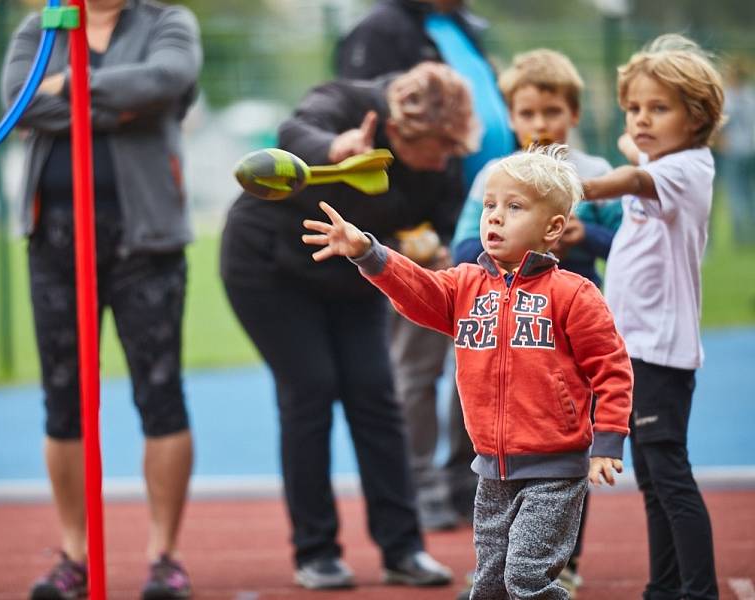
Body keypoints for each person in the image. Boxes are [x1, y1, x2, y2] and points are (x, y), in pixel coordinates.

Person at [302, 145, 633, 599]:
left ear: (553, 227)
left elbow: (612, 368)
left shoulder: (574, 294)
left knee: (526, 578)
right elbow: (417, 288)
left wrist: (609, 438)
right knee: (490, 585)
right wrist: (368, 252)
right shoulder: (464, 285)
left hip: (554, 470)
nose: (494, 217)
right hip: (491, 471)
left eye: (514, 207)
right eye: (490, 205)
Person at [220, 62, 477, 590]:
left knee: (375, 394)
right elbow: (295, 131)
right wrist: (334, 148)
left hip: (356, 274)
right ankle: (316, 553)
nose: (447, 159)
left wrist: (428, 246)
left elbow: (447, 225)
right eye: (440, 148)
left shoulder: (443, 161)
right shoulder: (349, 101)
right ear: (404, 133)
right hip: (268, 266)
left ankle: (403, 549)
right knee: (310, 390)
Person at [1, 1, 202, 598]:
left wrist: (68, 91)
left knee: (160, 394)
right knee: (61, 399)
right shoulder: (41, 27)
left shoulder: (169, 22)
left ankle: (164, 554)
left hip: (148, 241)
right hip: (55, 240)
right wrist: (117, 103)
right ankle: (74, 552)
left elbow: (167, 80)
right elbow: (19, 101)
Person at [449, 48, 623, 596]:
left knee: (567, 449)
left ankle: (558, 559)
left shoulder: (596, 178)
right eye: (526, 113)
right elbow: (462, 245)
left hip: (568, 330)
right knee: (503, 439)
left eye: (551, 111)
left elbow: (633, 247)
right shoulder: (494, 178)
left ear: (573, 113)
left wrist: (584, 236)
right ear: (512, 117)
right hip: (506, 331)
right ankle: (503, 566)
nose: (540, 124)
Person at [337, 0, 515, 529]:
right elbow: (371, 138)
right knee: (418, 364)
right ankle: (420, 486)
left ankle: (465, 479)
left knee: (483, 358)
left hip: (491, 226)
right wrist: (408, 235)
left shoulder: (462, 27)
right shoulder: (382, 29)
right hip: (428, 231)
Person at [581, 34, 725, 600]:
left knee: (669, 476)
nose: (641, 120)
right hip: (634, 349)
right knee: (653, 482)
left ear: (698, 119)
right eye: (634, 108)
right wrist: (641, 122)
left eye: (658, 109)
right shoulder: (663, 151)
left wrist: (577, 186)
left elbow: (632, 179)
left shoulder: (686, 170)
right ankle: (664, 587)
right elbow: (636, 148)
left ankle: (698, 590)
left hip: (658, 353)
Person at [719, 58, 755, 245]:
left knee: (736, 192)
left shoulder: (729, 98)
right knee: (750, 192)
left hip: (734, 150)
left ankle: (741, 235)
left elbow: (722, 124)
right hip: (751, 148)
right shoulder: (751, 96)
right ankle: (751, 233)